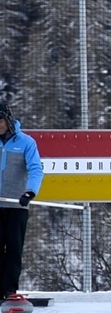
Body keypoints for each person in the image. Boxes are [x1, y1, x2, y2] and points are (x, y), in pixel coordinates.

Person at [0, 102, 44, 300]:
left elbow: (36, 169)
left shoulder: (26, 142)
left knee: (14, 248)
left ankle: (9, 290)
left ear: (8, 120)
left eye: (0, 120)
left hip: (17, 206)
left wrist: (30, 192)